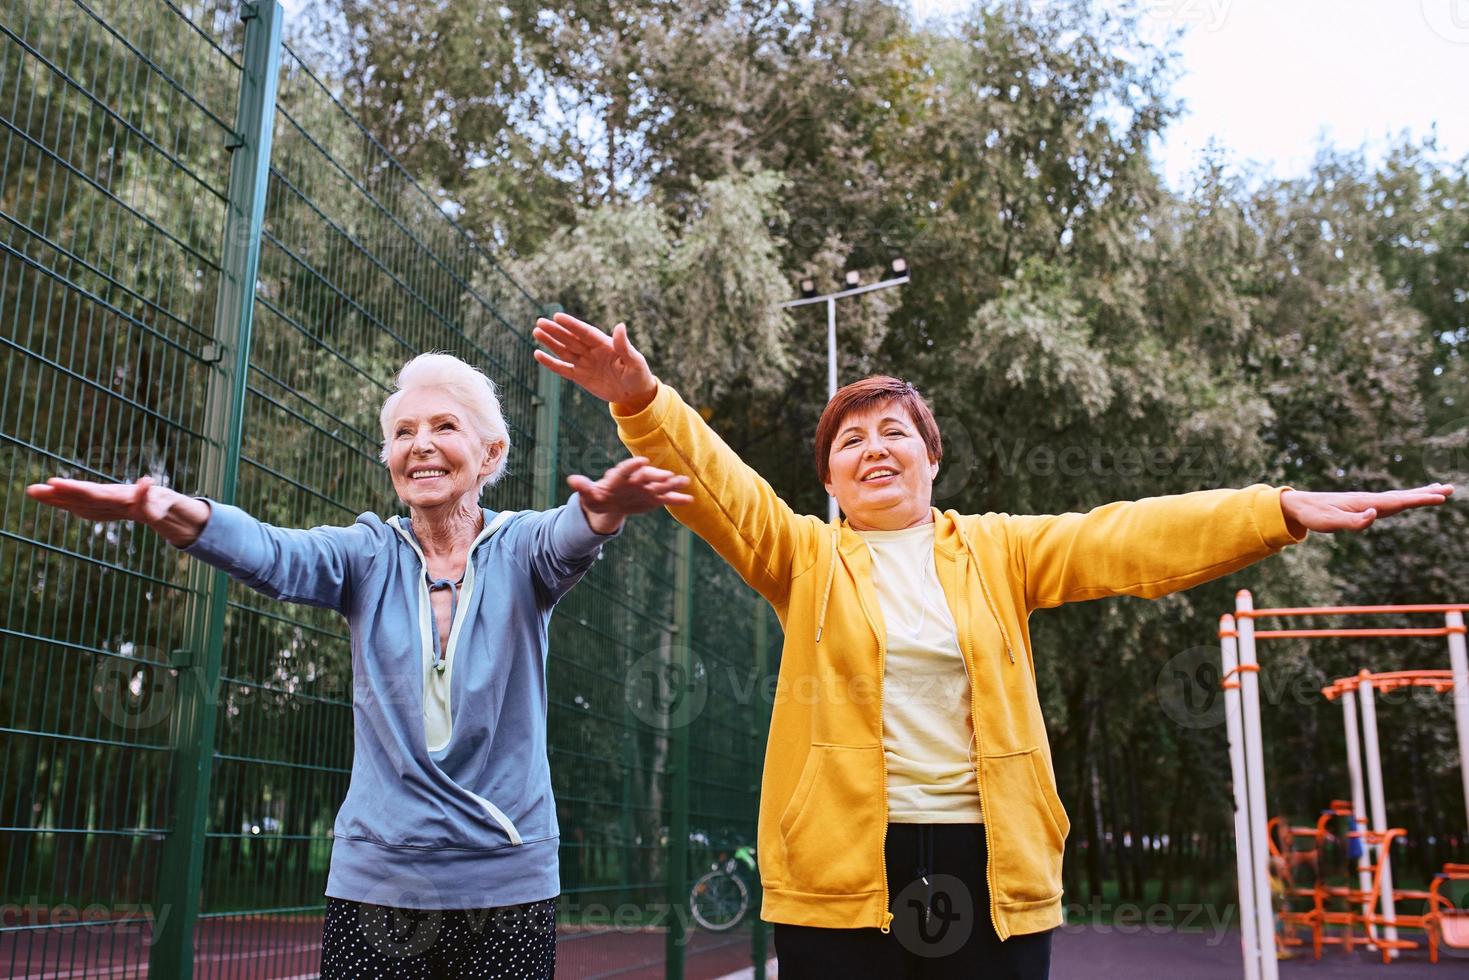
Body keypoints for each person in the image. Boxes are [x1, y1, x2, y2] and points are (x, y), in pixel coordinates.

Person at [531, 311, 1454, 980]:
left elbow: (1123, 539)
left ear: (933, 460)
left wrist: (1272, 509)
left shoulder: (1000, 551)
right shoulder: (804, 557)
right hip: (843, 869)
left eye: (896, 431)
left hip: (990, 859)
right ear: (829, 476)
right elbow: (724, 488)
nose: (874, 447)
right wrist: (642, 400)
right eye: (850, 440)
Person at [26, 352, 692, 980]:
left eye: (444, 426)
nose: (420, 444)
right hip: (375, 888)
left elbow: (565, 537)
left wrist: (599, 510)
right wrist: (175, 511)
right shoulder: (364, 554)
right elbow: (272, 553)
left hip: (506, 886)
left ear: (491, 454)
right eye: (402, 432)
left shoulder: (520, 551)